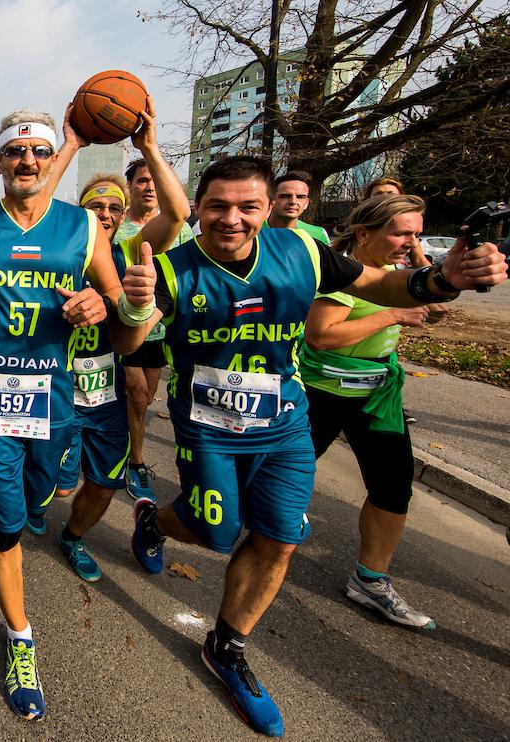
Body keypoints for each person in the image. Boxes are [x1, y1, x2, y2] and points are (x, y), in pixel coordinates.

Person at [128, 155, 505, 736]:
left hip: (284, 422)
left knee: (279, 541)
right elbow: (128, 339)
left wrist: (443, 280)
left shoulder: (301, 250)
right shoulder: (173, 269)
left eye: (247, 207)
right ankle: (155, 520)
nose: (232, 219)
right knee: (218, 532)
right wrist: (132, 304)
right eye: (217, 207)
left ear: (266, 209)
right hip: (208, 425)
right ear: (197, 209)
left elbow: (378, 282)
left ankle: (226, 647)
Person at [0, 108, 156, 720]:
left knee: (45, 495)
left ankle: (30, 507)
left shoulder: (83, 227)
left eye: (37, 151)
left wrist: (101, 305)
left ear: (50, 159)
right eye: (14, 151)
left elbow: (112, 298)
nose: (26, 160)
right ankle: (20, 636)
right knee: (6, 523)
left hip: (55, 395)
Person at [45, 99, 191, 583]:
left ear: (123, 214)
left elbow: (177, 212)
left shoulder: (129, 249)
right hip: (54, 391)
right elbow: (38, 198)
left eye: (113, 207)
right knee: (59, 488)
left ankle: (72, 539)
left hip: (103, 393)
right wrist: (70, 144)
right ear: (78, 213)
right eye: (95, 206)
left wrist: (149, 147)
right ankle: (34, 496)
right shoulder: (55, 248)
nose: (105, 213)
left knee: (104, 484)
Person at [302, 195, 436, 630]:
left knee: (394, 487)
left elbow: (426, 304)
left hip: (377, 396)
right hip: (321, 394)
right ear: (364, 235)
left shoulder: (400, 275)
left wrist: (417, 264)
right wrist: (393, 314)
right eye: (401, 233)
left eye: (416, 232)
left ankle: (370, 580)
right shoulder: (343, 273)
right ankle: (264, 539)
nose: (409, 241)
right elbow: (322, 335)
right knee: (283, 476)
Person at [114, 155, 196, 498]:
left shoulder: (181, 229)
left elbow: (190, 274)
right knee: (136, 394)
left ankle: (120, 434)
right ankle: (134, 462)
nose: (149, 187)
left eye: (154, 181)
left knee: (143, 399)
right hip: (126, 326)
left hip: (163, 330)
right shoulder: (117, 226)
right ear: (130, 186)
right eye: (141, 181)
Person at [266, 171, 329, 244]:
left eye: (300, 197)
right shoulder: (254, 230)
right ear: (271, 200)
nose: (293, 201)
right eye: (285, 196)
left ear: (306, 203)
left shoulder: (318, 235)